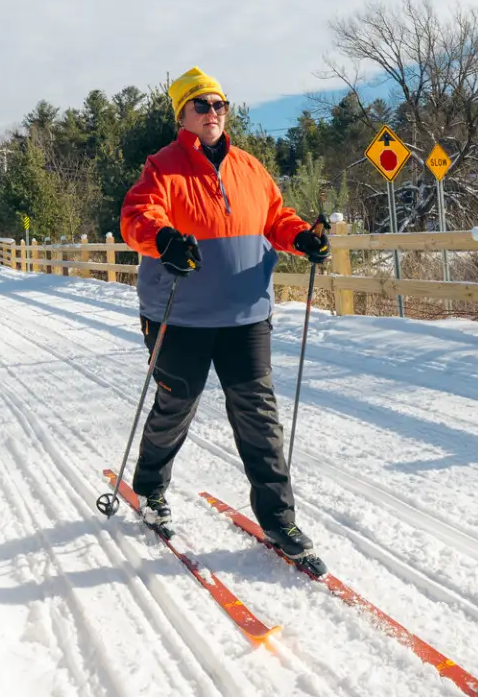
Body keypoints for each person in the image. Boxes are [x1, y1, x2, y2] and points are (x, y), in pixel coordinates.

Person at [119, 67, 333, 575]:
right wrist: (164, 239)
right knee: (175, 407)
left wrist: (300, 236)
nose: (213, 113)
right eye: (201, 106)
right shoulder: (163, 167)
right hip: (181, 316)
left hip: (246, 315)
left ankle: (280, 521)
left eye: (219, 105)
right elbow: (137, 217)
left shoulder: (250, 168)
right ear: (183, 115)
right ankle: (151, 490)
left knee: (259, 418)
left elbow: (275, 217)